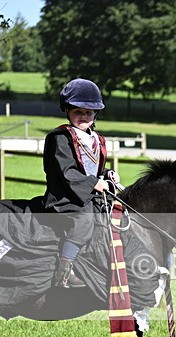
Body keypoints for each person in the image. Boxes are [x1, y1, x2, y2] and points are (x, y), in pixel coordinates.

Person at [42, 78, 118, 287]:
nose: (83, 116)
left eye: (88, 112)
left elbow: (94, 168)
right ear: (67, 111)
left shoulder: (96, 139)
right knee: (84, 219)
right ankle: (64, 272)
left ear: (95, 115)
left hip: (87, 194)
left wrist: (108, 174)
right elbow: (67, 172)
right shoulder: (60, 138)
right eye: (78, 112)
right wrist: (93, 184)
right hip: (64, 196)